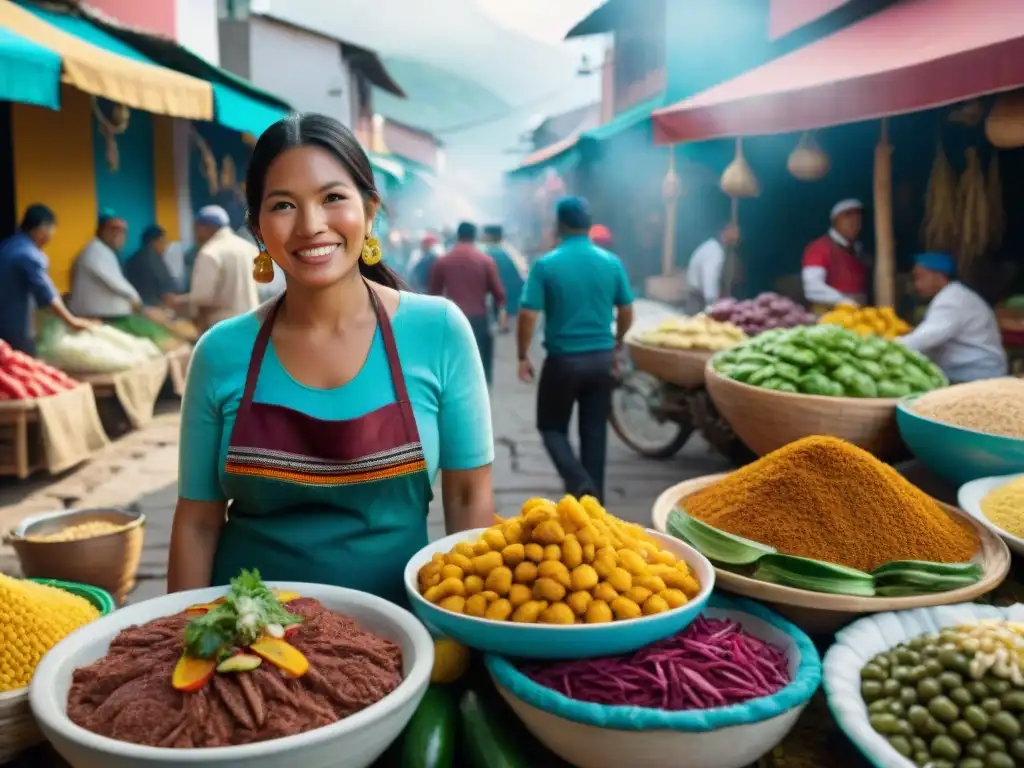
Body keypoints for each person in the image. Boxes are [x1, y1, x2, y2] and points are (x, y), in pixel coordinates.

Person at [167, 113, 495, 605]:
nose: (311, 226)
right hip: (246, 638)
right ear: (258, 227)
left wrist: (469, 639)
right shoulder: (220, 351)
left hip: (399, 634)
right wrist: (182, 638)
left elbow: (469, 498)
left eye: (332, 198)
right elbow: (196, 521)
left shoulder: (440, 332)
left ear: (370, 211)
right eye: (283, 205)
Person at [517, 197, 634, 502]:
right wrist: (618, 341)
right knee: (594, 433)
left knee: (552, 427)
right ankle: (593, 505)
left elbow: (529, 314)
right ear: (589, 223)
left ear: (560, 225)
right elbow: (627, 309)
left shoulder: (546, 265)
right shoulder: (611, 262)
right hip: (600, 360)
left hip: (563, 361)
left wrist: (522, 355)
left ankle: (579, 481)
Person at [898, 252, 1007, 383]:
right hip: (977, 371)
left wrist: (889, 346)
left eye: (920, 277)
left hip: (976, 374)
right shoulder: (954, 294)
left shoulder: (951, 301)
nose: (916, 285)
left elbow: (927, 337)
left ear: (939, 276)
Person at [0, 204, 95, 353]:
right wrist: (72, 321)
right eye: (51, 230)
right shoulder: (29, 255)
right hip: (15, 329)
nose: (51, 235)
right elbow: (47, 294)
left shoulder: (8, 246)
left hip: (4, 324)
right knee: (25, 367)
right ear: (43, 227)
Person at [429, 222, 507, 387]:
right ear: (475, 236)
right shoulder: (486, 261)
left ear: (458, 236)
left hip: (451, 321)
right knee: (481, 367)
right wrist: (501, 316)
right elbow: (499, 294)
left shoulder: (443, 261)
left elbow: (433, 295)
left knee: (453, 368)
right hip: (479, 320)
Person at [170, 206, 259, 334]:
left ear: (205, 227)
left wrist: (179, 302)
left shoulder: (211, 252)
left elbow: (203, 298)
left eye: (196, 228)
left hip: (224, 327)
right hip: (252, 322)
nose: (195, 233)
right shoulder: (248, 248)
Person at [68, 212, 141, 319]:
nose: (121, 237)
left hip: (100, 313)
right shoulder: (97, 251)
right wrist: (136, 298)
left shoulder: (103, 250)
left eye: (123, 233)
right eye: (115, 231)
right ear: (104, 231)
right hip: (96, 315)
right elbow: (115, 282)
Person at [801, 198, 870, 311]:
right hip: (829, 315)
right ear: (835, 220)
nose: (854, 221)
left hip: (858, 313)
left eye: (858, 217)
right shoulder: (819, 248)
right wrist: (843, 301)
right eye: (847, 216)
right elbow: (812, 288)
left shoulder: (858, 249)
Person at [685, 221, 741, 315]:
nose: (738, 237)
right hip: (699, 301)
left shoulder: (711, 246)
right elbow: (710, 278)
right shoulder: (715, 251)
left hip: (696, 296)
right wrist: (712, 305)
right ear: (727, 231)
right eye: (736, 232)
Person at [123, 225, 179, 306]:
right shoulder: (155, 260)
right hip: (154, 308)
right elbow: (168, 295)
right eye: (164, 242)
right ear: (155, 242)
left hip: (135, 306)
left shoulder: (132, 259)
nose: (165, 247)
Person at [481, 224, 525, 318]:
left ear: (489, 236)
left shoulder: (492, 253)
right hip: (518, 301)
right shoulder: (510, 250)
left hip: (506, 304)